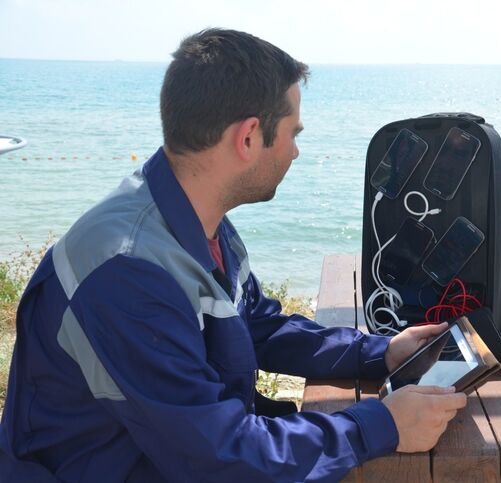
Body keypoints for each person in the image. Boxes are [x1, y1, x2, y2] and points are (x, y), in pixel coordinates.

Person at [0, 28, 467, 482]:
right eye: (292, 134)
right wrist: (381, 425)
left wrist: (381, 352)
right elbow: (218, 457)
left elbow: (258, 326)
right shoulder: (127, 273)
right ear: (248, 138)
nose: (295, 152)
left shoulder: (192, 217)